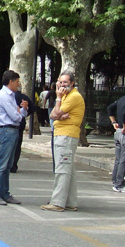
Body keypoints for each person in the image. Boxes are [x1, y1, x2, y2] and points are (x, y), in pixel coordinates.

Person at [40, 72, 85, 212]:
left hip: (66, 136)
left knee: (62, 169)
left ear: (72, 83)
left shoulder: (73, 97)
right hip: (63, 134)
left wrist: (58, 100)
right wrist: (59, 114)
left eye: (65, 82)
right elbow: (53, 115)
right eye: (60, 82)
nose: (61, 85)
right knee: (69, 170)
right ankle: (70, 202)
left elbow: (56, 114)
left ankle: (58, 202)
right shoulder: (66, 97)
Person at [0, 70, 28, 206]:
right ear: (10, 81)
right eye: (17, 81)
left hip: (12, 130)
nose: (19, 84)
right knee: (1, 165)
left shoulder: (11, 95)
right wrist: (20, 112)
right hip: (7, 130)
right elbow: (15, 116)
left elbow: (18, 114)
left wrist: (21, 110)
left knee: (7, 165)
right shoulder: (4, 96)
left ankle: (4, 193)